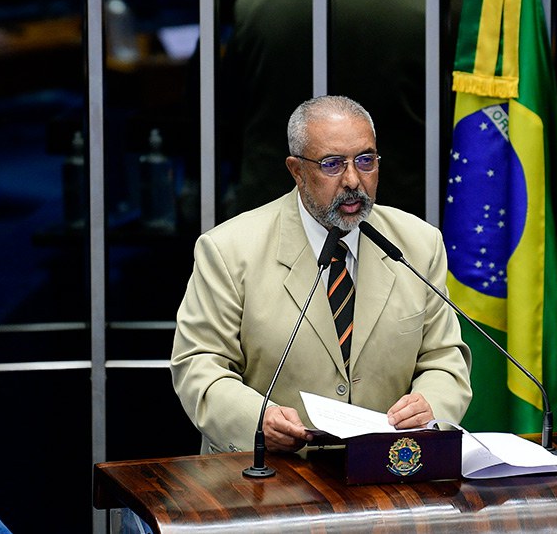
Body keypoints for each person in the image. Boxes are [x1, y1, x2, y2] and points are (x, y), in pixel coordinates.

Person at [171, 95, 472, 454]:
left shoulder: (419, 244)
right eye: (332, 164)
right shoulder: (229, 250)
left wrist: (431, 405)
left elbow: (444, 359)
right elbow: (199, 365)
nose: (352, 180)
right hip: (267, 478)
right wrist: (258, 419)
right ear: (296, 171)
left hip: (385, 475)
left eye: (366, 161)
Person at [221, 0, 448, 218]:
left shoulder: (259, 8)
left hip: (273, 200)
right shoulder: (430, 16)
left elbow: (223, 114)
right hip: (397, 206)